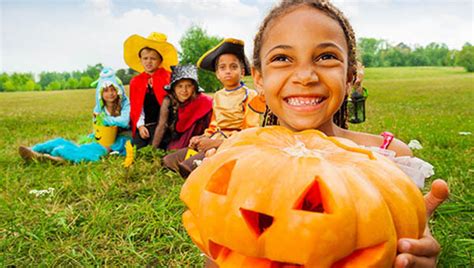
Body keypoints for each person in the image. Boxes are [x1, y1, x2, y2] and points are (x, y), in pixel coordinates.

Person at [204, 0, 449, 267]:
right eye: (282, 58)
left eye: (326, 57)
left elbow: (401, 242)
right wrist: (216, 211)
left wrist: (411, 231)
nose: (306, 76)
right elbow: (221, 256)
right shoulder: (239, 161)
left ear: (349, 76)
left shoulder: (389, 159)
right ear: (259, 78)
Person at [163, 38, 262, 178]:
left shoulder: (249, 95)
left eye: (233, 67)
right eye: (222, 67)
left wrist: (216, 143)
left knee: (201, 159)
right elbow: (213, 126)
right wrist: (202, 137)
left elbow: (250, 132)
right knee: (169, 160)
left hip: (234, 143)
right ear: (217, 74)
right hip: (216, 137)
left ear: (242, 71)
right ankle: (199, 163)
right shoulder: (218, 96)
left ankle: (202, 167)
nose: (228, 71)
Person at [19, 67, 131, 163]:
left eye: (113, 90)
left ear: (118, 90)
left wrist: (106, 119)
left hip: (118, 140)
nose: (110, 93)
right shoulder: (99, 108)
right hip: (101, 137)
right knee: (68, 143)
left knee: (93, 149)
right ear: (100, 93)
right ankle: (35, 149)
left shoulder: (125, 105)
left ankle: (57, 158)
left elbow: (124, 121)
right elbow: (97, 126)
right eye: (106, 91)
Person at [123, 32, 178, 149]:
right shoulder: (136, 81)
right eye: (145, 58)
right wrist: (141, 126)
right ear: (141, 60)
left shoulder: (167, 77)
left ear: (160, 60)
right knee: (137, 147)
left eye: (153, 58)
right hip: (146, 123)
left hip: (164, 124)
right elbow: (137, 107)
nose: (148, 62)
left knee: (159, 145)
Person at [151, 65, 213, 150]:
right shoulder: (169, 100)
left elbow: (212, 126)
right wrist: (152, 150)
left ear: (194, 87)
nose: (184, 90)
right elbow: (162, 125)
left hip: (198, 138)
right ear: (174, 88)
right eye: (180, 86)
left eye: (188, 86)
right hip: (175, 137)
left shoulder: (204, 101)